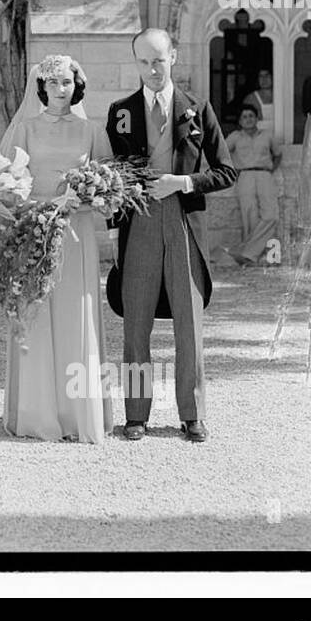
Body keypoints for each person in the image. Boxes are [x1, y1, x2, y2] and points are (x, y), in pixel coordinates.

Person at [105, 28, 237, 444]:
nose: (152, 69)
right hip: (139, 225)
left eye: (159, 60)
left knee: (189, 324)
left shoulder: (198, 109)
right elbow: (114, 178)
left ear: (173, 57)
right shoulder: (120, 112)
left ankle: (192, 414)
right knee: (135, 326)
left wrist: (183, 182)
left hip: (183, 223)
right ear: (136, 62)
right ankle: (136, 414)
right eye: (144, 62)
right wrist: (114, 232)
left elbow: (226, 172)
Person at [0, 55, 114, 444]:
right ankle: (37, 413)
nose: (60, 89)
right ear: (41, 87)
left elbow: (110, 185)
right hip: (35, 228)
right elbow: (8, 183)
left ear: (76, 85)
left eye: (66, 82)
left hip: (76, 233)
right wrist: (31, 205)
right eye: (52, 82)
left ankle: (77, 414)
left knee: (75, 314)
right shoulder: (25, 129)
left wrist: (88, 198)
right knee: (36, 311)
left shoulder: (91, 130)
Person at [225, 106, 282, 266]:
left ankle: (246, 252)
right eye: (244, 116)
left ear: (257, 118)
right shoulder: (235, 137)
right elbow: (222, 153)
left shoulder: (267, 135)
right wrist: (232, 170)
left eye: (251, 116)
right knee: (249, 216)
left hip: (264, 174)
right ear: (240, 121)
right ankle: (253, 258)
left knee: (271, 215)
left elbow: (278, 154)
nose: (248, 119)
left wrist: (272, 169)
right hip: (245, 175)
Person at [242, 68, 275, 133]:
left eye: (267, 75)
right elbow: (244, 123)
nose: (264, 79)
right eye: (261, 76)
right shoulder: (250, 99)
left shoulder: (281, 97)